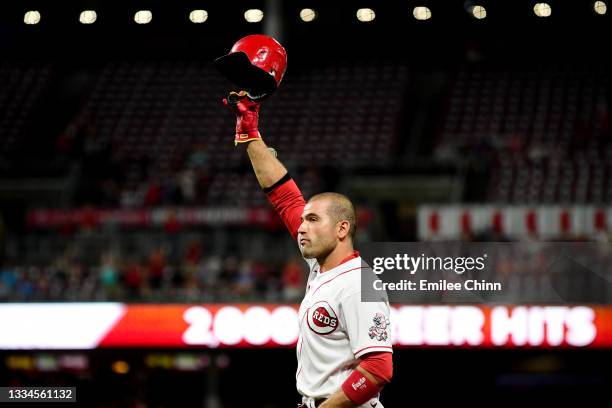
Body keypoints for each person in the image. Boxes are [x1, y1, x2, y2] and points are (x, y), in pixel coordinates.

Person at [223, 91, 393, 408]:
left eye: (312, 220)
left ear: (342, 229)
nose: (301, 227)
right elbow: (284, 196)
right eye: (302, 220)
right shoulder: (322, 267)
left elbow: (378, 370)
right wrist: (250, 136)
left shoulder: (359, 284)